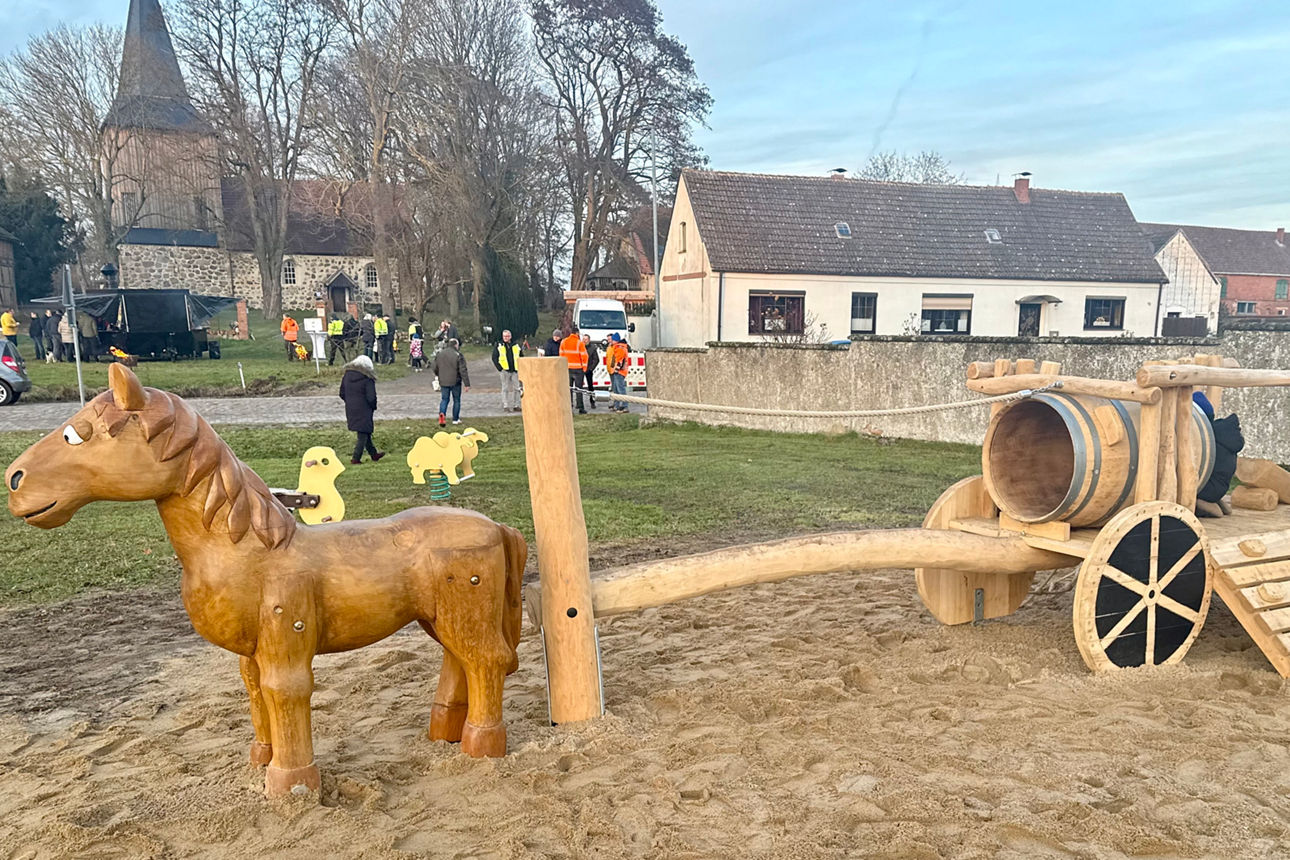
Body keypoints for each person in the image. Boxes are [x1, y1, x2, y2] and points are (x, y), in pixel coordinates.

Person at [1194, 391, 1245, 518]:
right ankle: (1216, 500)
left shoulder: (1203, 438)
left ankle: (1204, 505)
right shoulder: (1223, 435)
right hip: (1220, 487)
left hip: (1207, 488)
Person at [338, 355, 386, 465]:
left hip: (351, 407)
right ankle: (356, 458)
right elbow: (371, 397)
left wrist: (349, 402)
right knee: (363, 433)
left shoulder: (347, 376)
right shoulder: (368, 379)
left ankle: (374, 454)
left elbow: (342, 393)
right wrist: (373, 406)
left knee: (365, 431)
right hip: (364, 408)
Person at [432, 337, 470, 426]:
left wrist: (438, 374)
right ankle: (455, 419)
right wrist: (467, 383)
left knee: (444, 399)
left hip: (443, 380)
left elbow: (434, 366)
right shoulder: (458, 355)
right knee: (456, 400)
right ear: (456, 345)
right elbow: (463, 370)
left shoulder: (440, 354)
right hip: (455, 381)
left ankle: (442, 414)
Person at [559, 324, 588, 414]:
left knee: (568, 389)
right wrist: (584, 368)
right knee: (579, 389)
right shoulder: (579, 343)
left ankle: (569, 407)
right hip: (578, 369)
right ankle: (580, 407)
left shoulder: (563, 342)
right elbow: (584, 356)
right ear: (577, 333)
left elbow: (561, 355)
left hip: (568, 368)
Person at [492, 329, 522, 413]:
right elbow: (494, 357)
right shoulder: (499, 345)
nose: (506, 338)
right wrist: (500, 368)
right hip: (505, 370)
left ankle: (516, 405)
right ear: (502, 336)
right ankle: (506, 405)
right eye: (504, 336)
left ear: (510, 336)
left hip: (515, 370)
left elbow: (521, 356)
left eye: (507, 336)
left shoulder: (516, 345)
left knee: (517, 388)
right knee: (505, 388)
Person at [605, 332, 630, 412]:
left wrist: (615, 370)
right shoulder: (618, 347)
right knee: (617, 389)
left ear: (616, 340)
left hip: (619, 372)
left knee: (620, 389)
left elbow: (619, 361)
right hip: (618, 371)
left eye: (612, 340)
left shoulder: (619, 348)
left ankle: (624, 405)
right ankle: (618, 405)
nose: (611, 341)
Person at [581, 334, 600, 409]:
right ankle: (579, 403)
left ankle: (592, 401)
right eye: (583, 339)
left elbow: (596, 359)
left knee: (590, 386)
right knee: (578, 386)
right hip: (581, 369)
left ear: (589, 340)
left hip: (588, 369)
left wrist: (591, 368)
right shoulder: (580, 347)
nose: (584, 341)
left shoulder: (592, 348)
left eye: (586, 339)